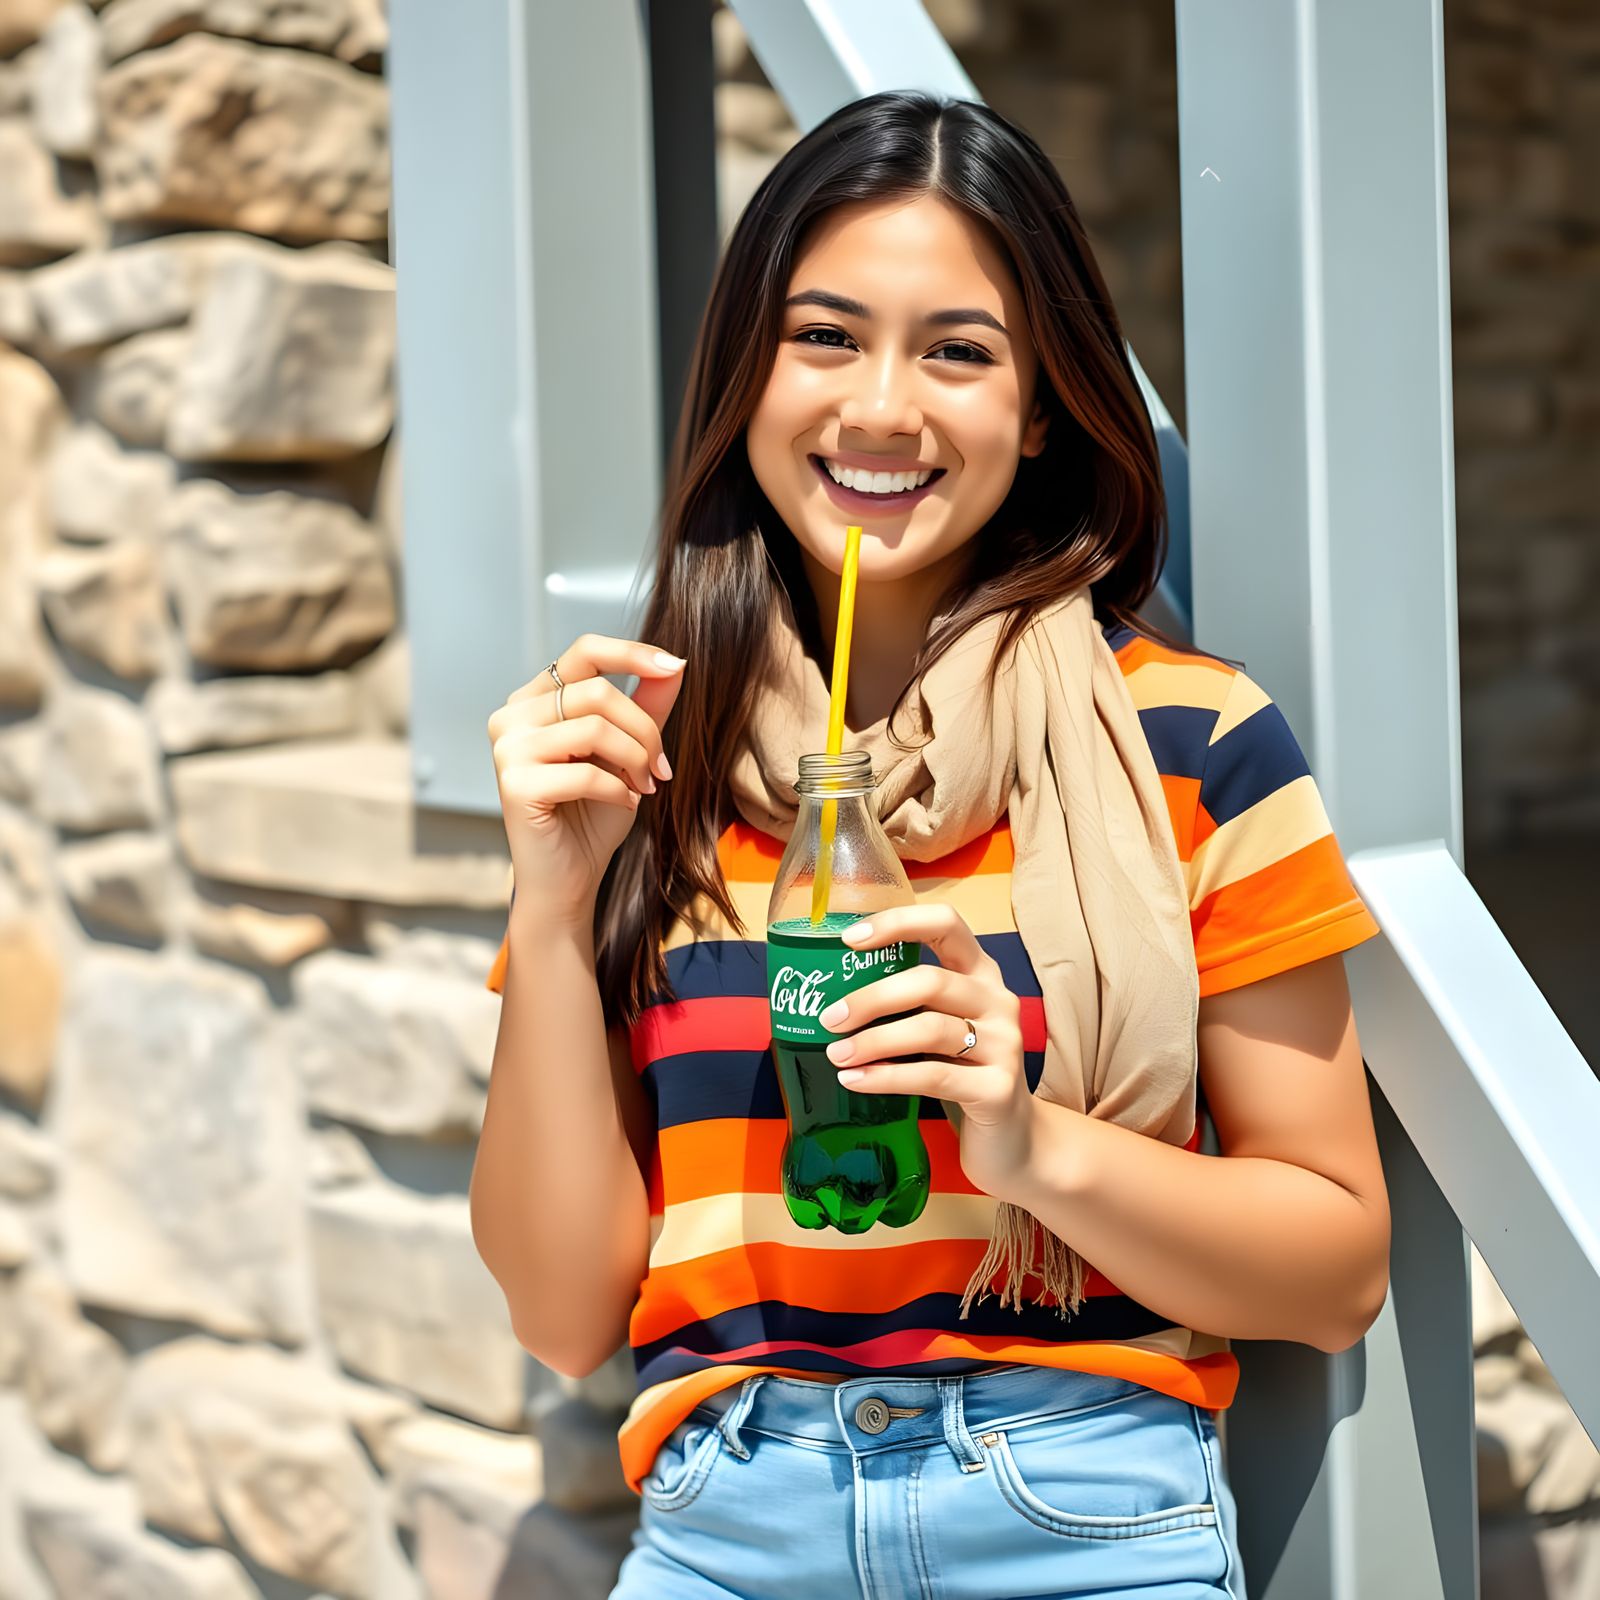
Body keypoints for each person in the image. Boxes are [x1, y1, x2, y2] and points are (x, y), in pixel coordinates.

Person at [474, 90, 1390, 1600]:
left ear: (1041, 412)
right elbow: (565, 1312)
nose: (882, 408)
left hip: (1083, 1508)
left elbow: (1336, 1266)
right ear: (744, 373)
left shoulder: (1193, 743)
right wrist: (556, 901)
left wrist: (1033, 1147)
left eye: (957, 351)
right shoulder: (641, 752)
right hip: (728, 1524)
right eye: (825, 337)